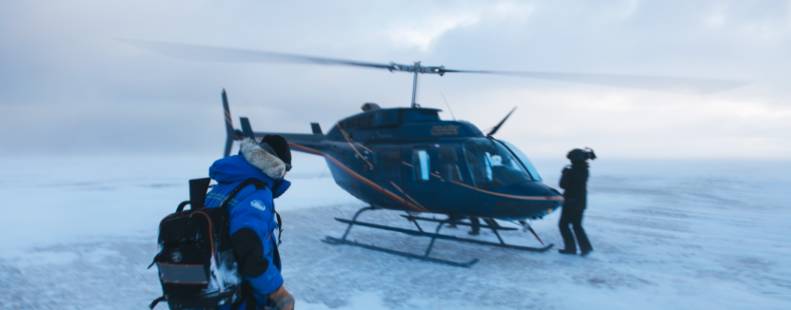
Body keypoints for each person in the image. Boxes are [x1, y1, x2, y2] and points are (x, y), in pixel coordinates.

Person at [205, 135, 296, 310]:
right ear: (278, 167)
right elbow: (248, 243)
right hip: (236, 298)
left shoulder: (225, 185)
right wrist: (277, 291)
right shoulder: (256, 192)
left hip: (212, 292)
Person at [557, 148, 596, 256]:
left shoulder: (571, 171)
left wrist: (564, 173)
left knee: (563, 225)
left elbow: (563, 185)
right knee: (577, 225)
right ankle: (586, 248)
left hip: (570, 202)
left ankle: (570, 248)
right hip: (581, 202)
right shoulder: (584, 169)